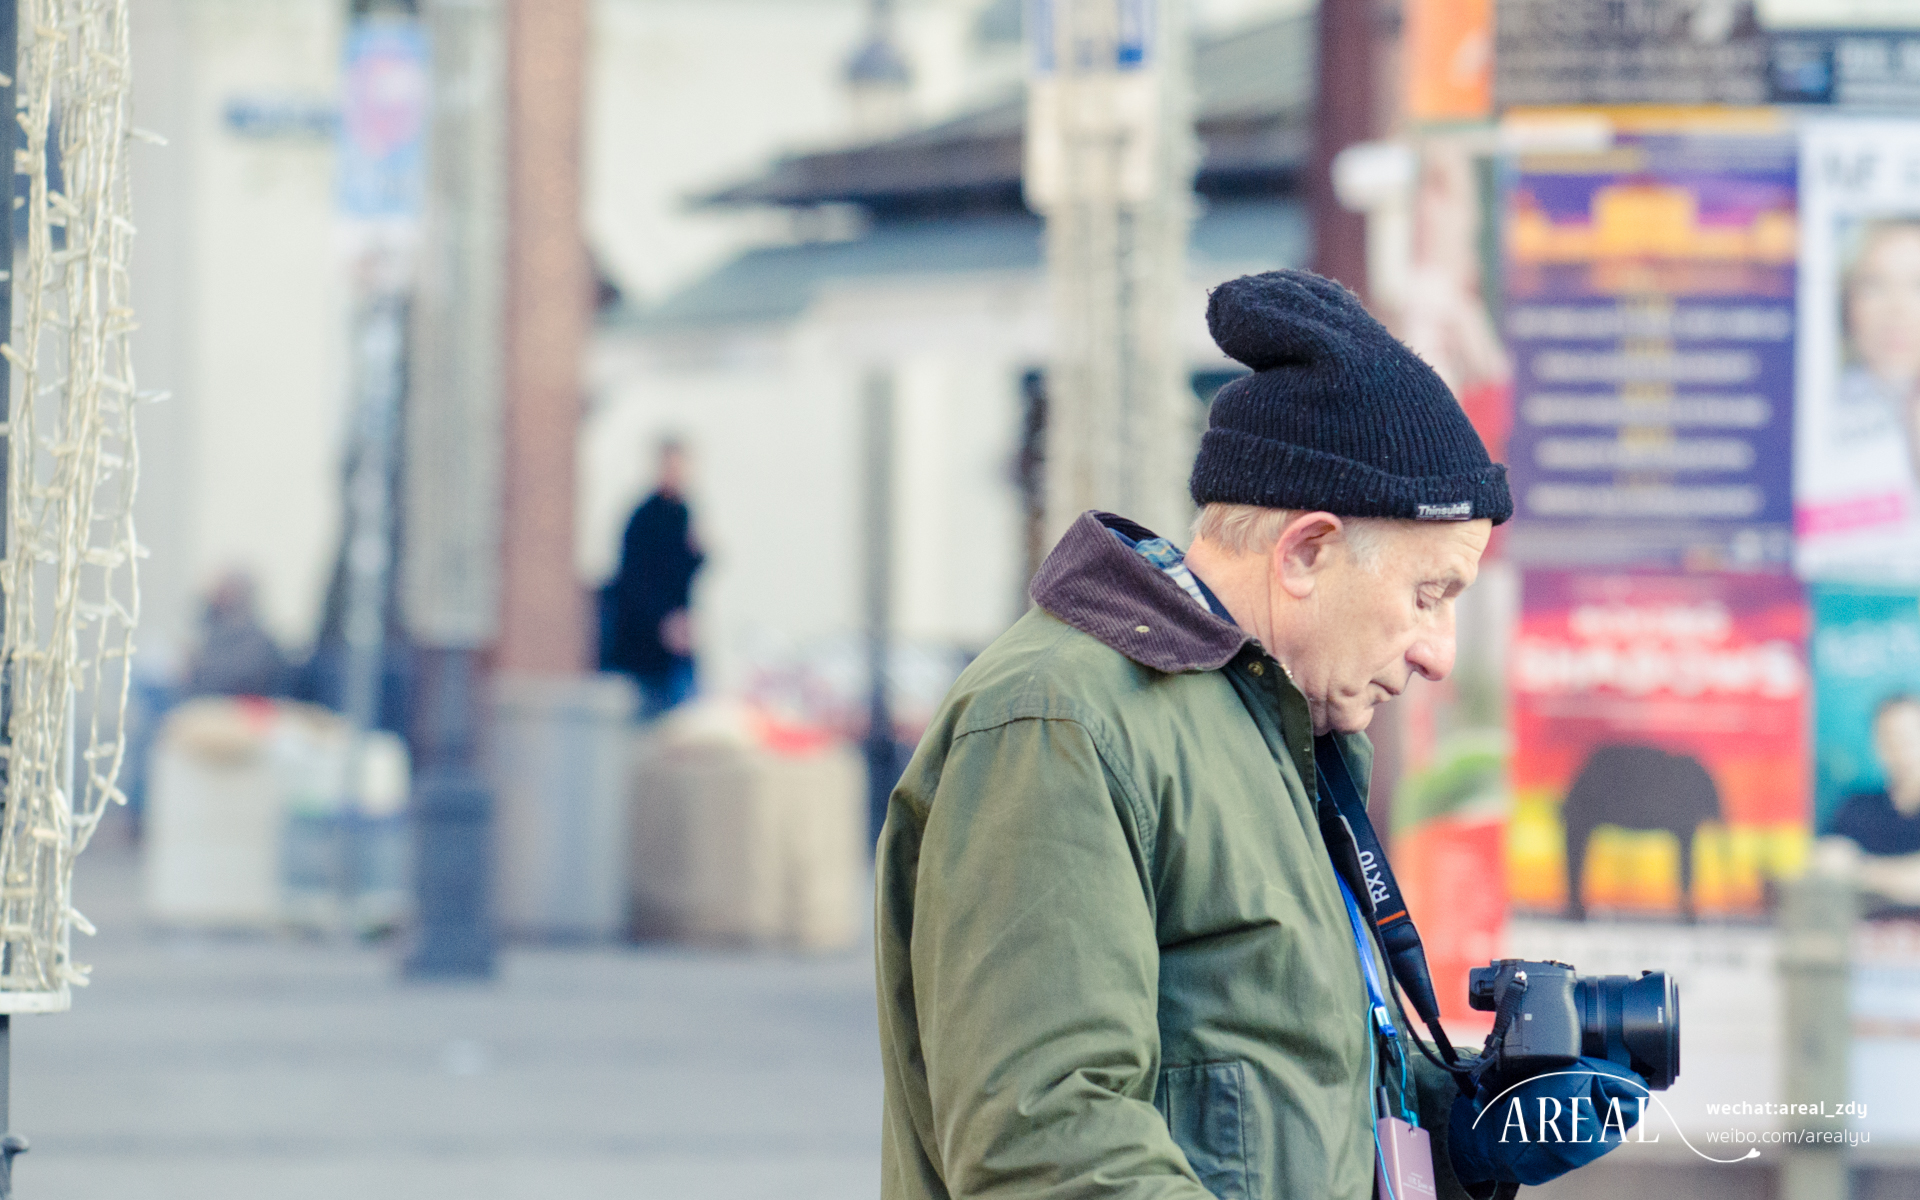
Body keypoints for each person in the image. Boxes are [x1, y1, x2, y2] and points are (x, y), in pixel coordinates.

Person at [876, 272, 1643, 1200]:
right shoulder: (1056, 722)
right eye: (1428, 595)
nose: (1437, 653)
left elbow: (1262, 1091)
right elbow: (1052, 1151)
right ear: (1306, 552)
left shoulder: (1269, 725)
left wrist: (1461, 1128)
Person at [602, 439, 705, 719]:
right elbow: (635, 580)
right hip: (648, 644)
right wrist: (663, 621)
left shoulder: (683, 512)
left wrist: (698, 556)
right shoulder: (644, 517)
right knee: (656, 720)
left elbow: (682, 573)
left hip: (678, 641)